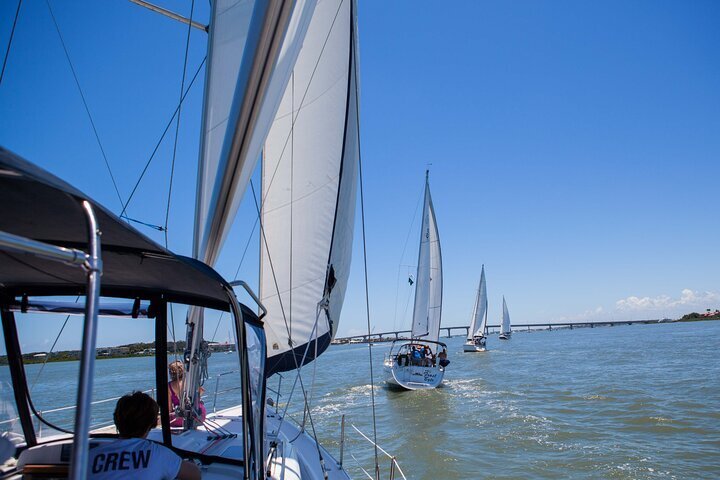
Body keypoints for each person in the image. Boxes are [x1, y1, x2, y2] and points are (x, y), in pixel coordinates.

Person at [88, 391, 201, 479]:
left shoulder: (90, 456)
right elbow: (195, 475)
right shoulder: (158, 454)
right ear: (151, 424)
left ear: (116, 420)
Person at [168, 361, 206, 428]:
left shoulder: (169, 386)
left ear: (171, 373)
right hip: (199, 415)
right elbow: (202, 391)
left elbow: (169, 408)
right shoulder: (191, 381)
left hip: (182, 418)